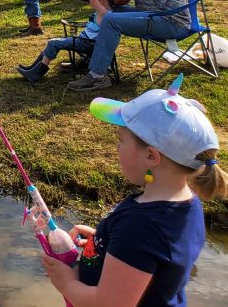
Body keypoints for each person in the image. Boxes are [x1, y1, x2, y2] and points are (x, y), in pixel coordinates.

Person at [41, 78, 227, 305]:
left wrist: (67, 283)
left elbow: (110, 304)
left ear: (151, 156)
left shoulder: (141, 227)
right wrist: (104, 243)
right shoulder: (186, 203)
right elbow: (151, 260)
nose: (117, 147)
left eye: (121, 140)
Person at [16, 0, 118, 83]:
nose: (90, 2)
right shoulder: (105, 12)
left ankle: (36, 73)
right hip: (84, 40)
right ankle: (33, 68)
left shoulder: (104, 14)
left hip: (86, 43)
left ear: (103, 2)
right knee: (54, 42)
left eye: (93, 0)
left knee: (53, 43)